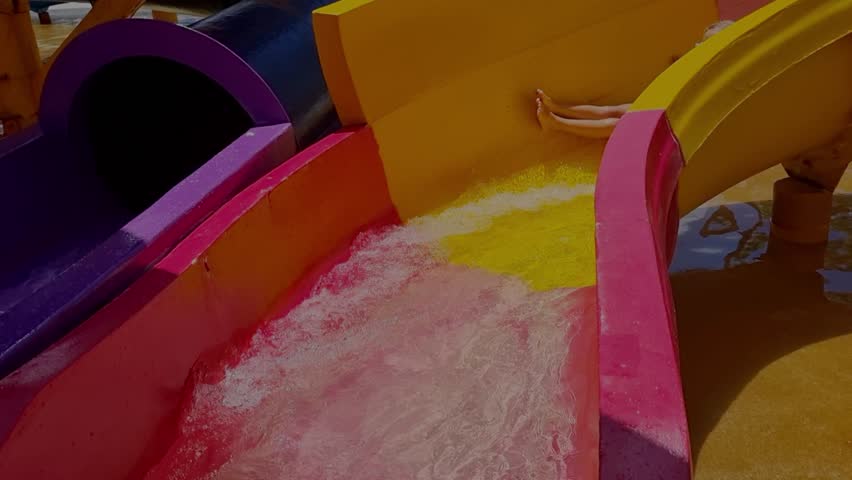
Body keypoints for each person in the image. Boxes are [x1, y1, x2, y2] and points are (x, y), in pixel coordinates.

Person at [536, 20, 735, 138]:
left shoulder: (720, 76)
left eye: (706, 44)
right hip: (668, 111)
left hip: (676, 127)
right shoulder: (701, 65)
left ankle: (556, 124)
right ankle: (558, 108)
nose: (698, 46)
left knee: (617, 125)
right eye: (700, 41)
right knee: (615, 110)